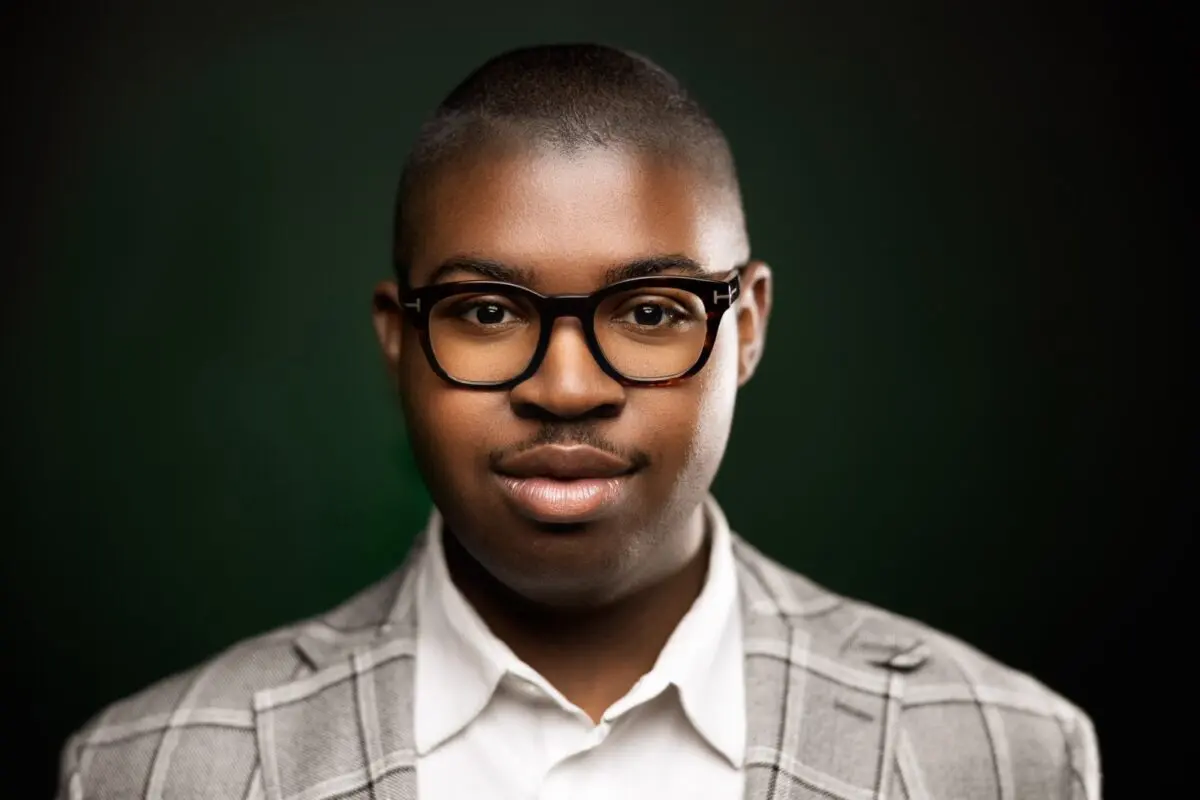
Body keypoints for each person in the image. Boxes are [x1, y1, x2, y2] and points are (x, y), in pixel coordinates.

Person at [55, 43, 1100, 800]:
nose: (563, 387)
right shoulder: (151, 768)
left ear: (746, 327)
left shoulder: (1006, 754)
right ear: (398, 337)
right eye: (487, 311)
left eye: (649, 313)